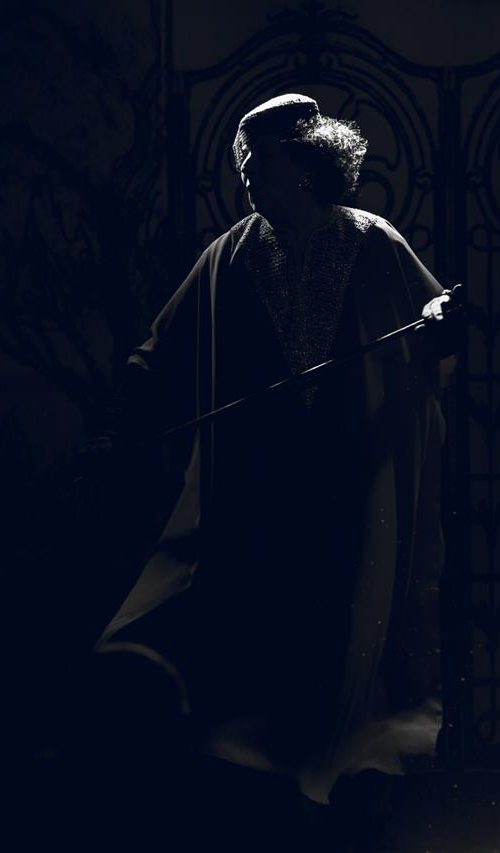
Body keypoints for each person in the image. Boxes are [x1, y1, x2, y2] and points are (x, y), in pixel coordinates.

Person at [82, 93, 461, 806]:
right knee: (256, 654)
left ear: (305, 160)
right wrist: (116, 429)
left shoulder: (373, 242)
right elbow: (157, 358)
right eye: (240, 163)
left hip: (350, 491)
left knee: (343, 644)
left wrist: (441, 318)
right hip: (258, 501)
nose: (245, 175)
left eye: (256, 160)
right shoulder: (228, 256)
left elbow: (435, 337)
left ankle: (335, 804)